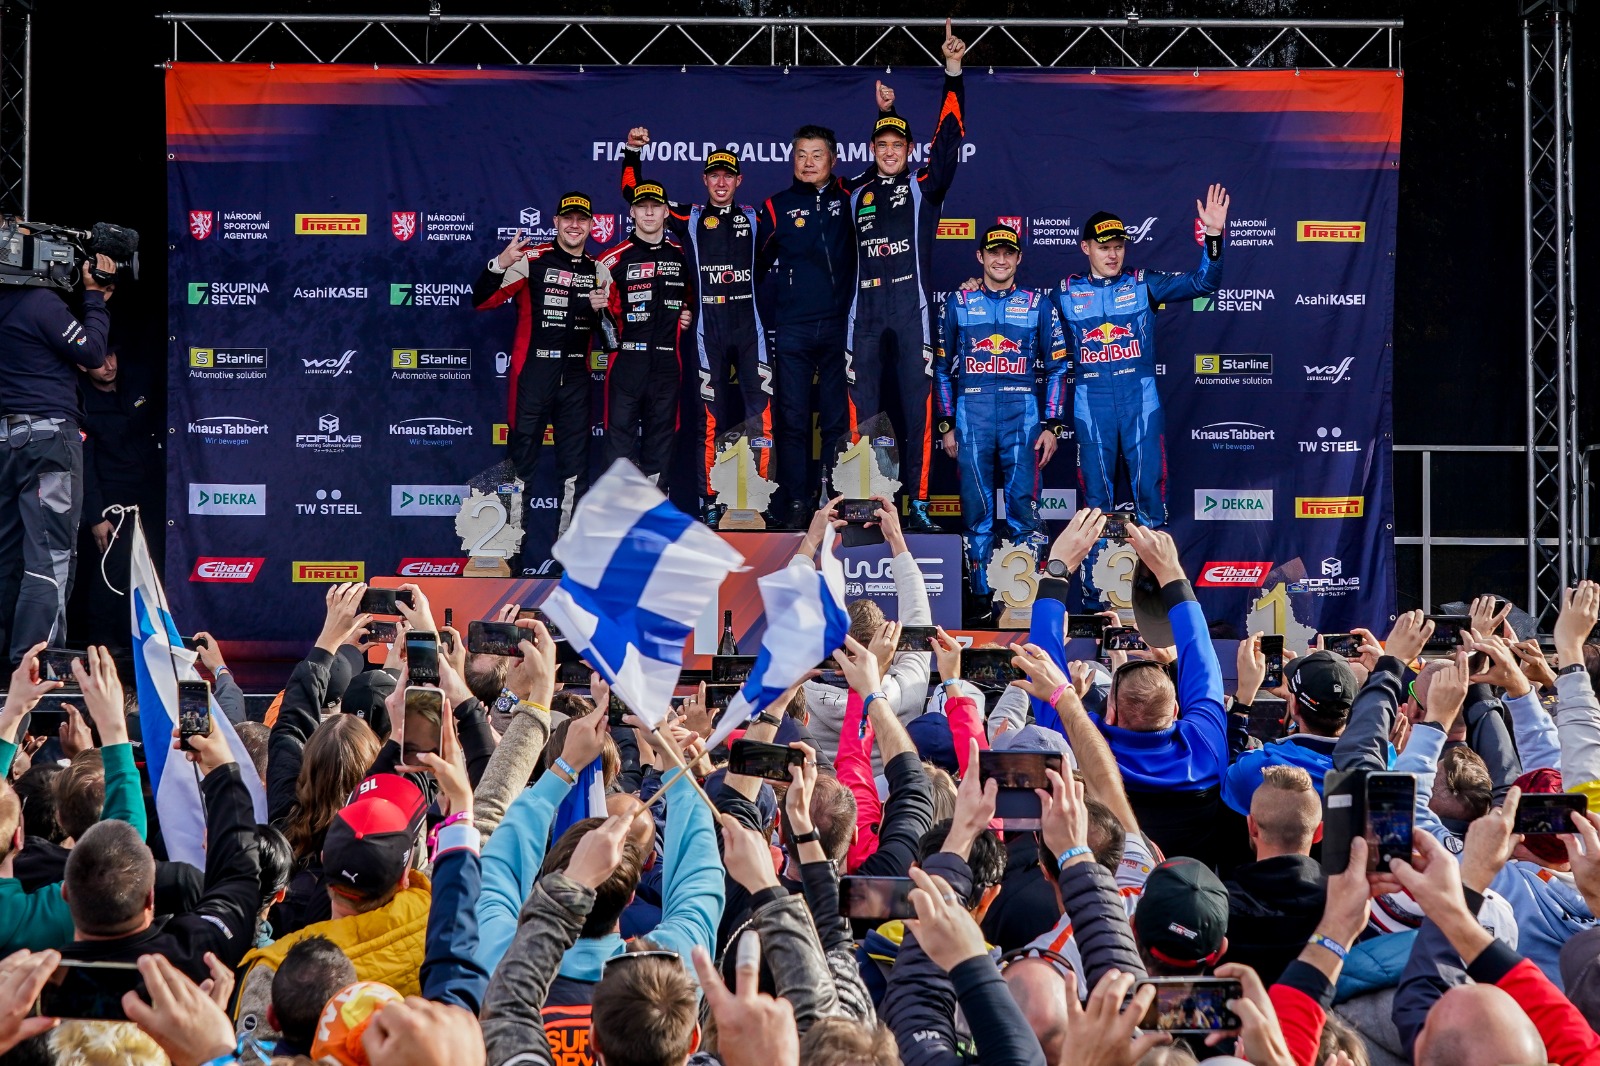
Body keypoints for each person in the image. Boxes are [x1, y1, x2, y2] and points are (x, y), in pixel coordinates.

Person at [845, 23, 966, 532]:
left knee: (918, 413)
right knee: (863, 410)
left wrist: (953, 73)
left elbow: (949, 140)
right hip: (865, 316)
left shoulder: (923, 186)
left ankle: (917, 502)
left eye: (898, 144)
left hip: (911, 312)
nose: (890, 151)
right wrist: (884, 113)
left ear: (910, 149)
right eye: (882, 144)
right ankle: (861, 499)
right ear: (872, 148)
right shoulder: (854, 191)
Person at [1048, 188, 1229, 528]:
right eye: (1104, 247)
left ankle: (1153, 562)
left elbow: (1203, 283)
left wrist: (1214, 234)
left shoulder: (1144, 283)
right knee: (1095, 500)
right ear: (1085, 248)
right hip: (1092, 402)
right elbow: (1025, 321)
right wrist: (977, 288)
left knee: (1150, 493)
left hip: (1140, 400)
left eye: (1118, 247)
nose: (1112, 255)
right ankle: (1096, 563)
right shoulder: (1065, 292)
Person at [620, 134, 771, 527]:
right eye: (714, 176)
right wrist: (632, 152)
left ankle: (760, 496)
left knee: (761, 415)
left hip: (750, 328)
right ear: (704, 180)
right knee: (709, 419)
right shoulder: (688, 217)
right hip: (707, 330)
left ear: (739, 181)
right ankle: (709, 499)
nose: (721, 183)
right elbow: (635, 194)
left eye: (728, 176)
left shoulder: (756, 217)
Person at [934, 224, 1066, 617]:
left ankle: (1022, 601)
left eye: (1009, 253)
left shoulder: (1037, 304)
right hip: (971, 416)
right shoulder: (958, 302)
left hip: (1021, 418)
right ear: (981, 256)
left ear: (1019, 258)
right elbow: (940, 368)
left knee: (1024, 513)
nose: (1001, 260)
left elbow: (1057, 368)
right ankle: (980, 601)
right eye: (994, 252)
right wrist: (946, 423)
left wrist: (1052, 425)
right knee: (977, 516)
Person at [472, 193, 615, 538]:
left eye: (582, 219)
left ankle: (569, 551)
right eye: (568, 218)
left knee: (575, 470)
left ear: (591, 225)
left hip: (576, 379)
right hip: (533, 376)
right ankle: (510, 549)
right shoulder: (531, 260)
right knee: (520, 466)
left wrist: (603, 311)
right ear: (556, 222)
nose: (574, 225)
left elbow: (612, 338)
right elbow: (483, 301)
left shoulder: (599, 270)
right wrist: (499, 264)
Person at [0, 254, 115, 665]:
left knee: (6, 556)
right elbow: (93, 353)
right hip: (47, 443)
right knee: (50, 557)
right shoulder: (39, 301)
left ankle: (13, 666)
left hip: (6, 442)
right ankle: (36, 664)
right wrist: (94, 297)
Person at [757, 123, 861, 528]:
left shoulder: (850, 196)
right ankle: (796, 501)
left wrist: (886, 111)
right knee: (792, 420)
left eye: (817, 155)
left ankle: (836, 499)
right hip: (793, 328)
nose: (808, 162)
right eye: (801, 155)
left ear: (833, 159)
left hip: (839, 325)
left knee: (836, 419)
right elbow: (753, 268)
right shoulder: (775, 206)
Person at [598, 180, 694, 492]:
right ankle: (620, 510)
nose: (649, 212)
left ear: (667, 212)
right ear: (632, 212)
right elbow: (599, 316)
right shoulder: (612, 259)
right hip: (627, 362)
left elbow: (696, 300)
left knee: (661, 442)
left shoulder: (683, 256)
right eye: (642, 207)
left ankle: (654, 509)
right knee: (619, 444)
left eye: (655, 206)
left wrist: (688, 313)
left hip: (667, 363)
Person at [70, 344, 163, 652]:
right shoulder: (80, 403)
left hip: (154, 493)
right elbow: (83, 466)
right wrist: (96, 515)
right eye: (98, 361)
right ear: (83, 366)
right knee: (112, 568)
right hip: (113, 498)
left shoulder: (139, 382)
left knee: (156, 564)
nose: (108, 365)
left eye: (110, 355)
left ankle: (149, 637)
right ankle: (101, 644)